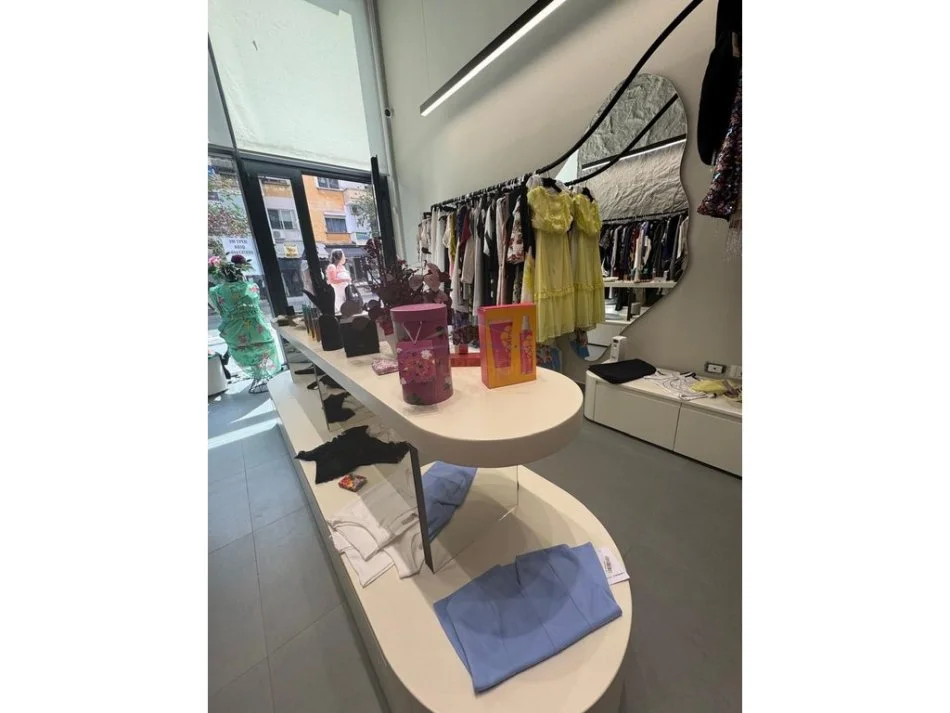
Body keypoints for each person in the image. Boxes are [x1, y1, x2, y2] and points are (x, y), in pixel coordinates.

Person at [325, 249, 352, 314]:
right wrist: (345, 279)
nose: (344, 257)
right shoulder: (332, 267)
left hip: (346, 293)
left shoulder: (341, 267)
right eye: (343, 256)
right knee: (344, 311)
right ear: (338, 257)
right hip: (339, 296)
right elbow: (332, 280)